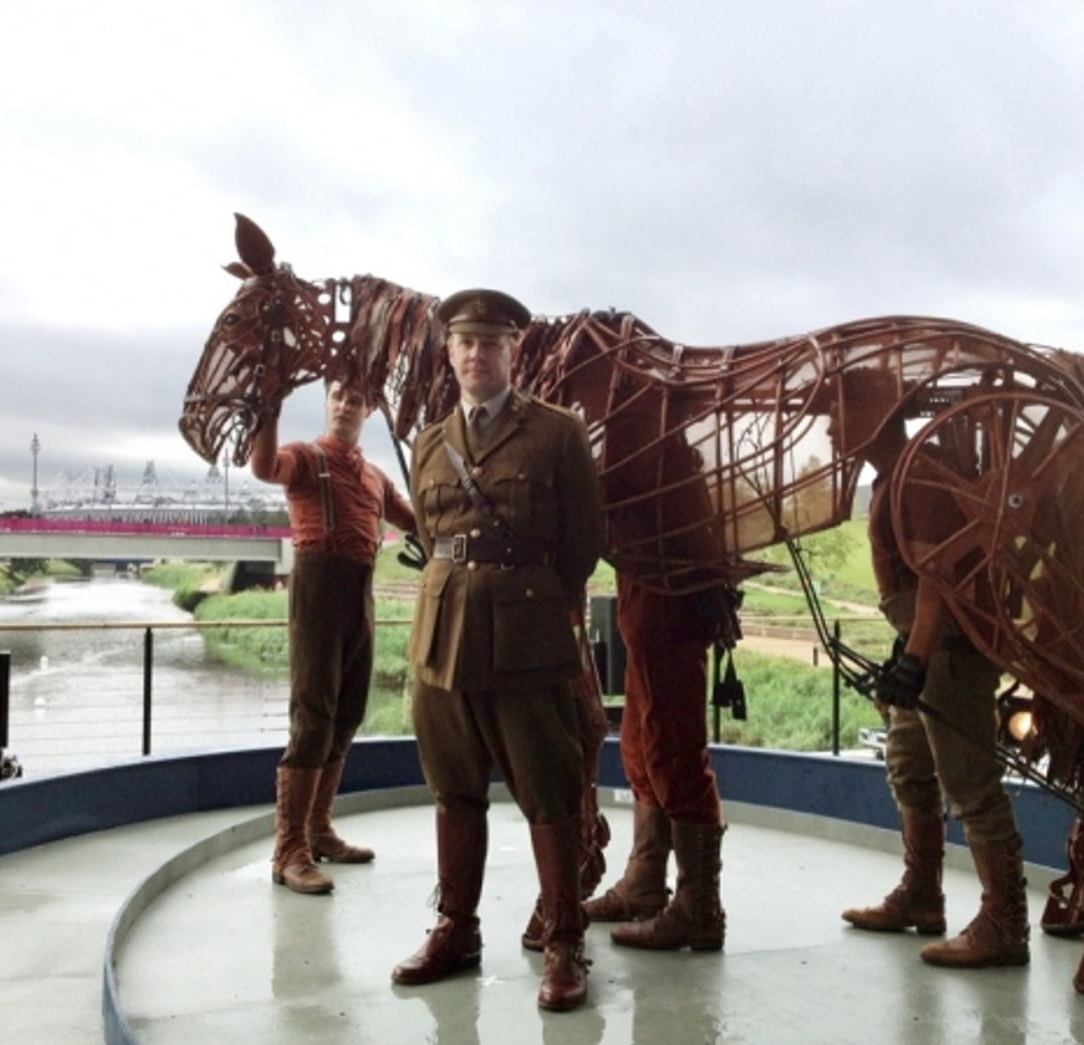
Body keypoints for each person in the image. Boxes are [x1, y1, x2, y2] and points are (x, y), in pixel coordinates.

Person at [390, 288, 603, 1012]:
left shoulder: (557, 432)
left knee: (547, 787)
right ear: (448, 353)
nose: (477, 353)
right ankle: (457, 926)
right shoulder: (427, 441)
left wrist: (533, 602)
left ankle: (565, 938)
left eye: (491, 342)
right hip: (441, 638)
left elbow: (582, 547)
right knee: (453, 786)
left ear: (514, 351)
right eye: (465, 342)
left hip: (527, 637)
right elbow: (431, 531)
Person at [840, 407, 1030, 968]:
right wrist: (908, 653)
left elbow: (938, 576)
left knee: (970, 781)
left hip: (951, 652)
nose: (833, 430)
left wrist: (915, 659)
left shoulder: (919, 474)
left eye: (843, 418)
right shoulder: (893, 475)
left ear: (878, 420)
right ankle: (922, 893)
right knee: (907, 761)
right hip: (924, 647)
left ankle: (1006, 923)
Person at [250, 378, 416, 895]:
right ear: (327, 403)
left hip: (359, 595)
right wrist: (268, 410)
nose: (346, 405)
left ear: (369, 410)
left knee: (346, 714)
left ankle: (318, 830)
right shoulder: (305, 457)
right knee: (313, 717)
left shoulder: (372, 476)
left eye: (356, 399)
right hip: (317, 593)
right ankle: (288, 850)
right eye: (339, 396)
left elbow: (418, 522)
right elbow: (263, 467)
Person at [584, 578, 730, 952]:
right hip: (648, 602)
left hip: (668, 601)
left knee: (673, 751)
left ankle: (698, 909)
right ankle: (644, 882)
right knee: (640, 746)